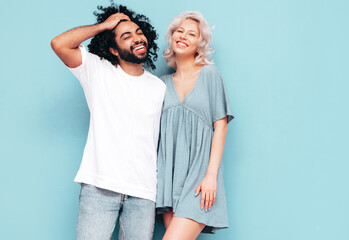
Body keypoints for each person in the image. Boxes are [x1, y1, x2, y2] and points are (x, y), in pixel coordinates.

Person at [50, 4, 165, 240]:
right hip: (99, 188)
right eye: (126, 36)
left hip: (143, 193)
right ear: (113, 49)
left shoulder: (159, 87)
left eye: (138, 32)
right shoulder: (97, 71)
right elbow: (59, 43)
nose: (137, 38)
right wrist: (104, 25)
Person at [156, 11, 234, 240]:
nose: (183, 36)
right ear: (171, 37)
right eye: (179, 31)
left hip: (200, 179)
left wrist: (211, 176)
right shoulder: (161, 85)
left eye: (191, 34)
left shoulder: (210, 75)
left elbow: (221, 126)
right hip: (169, 181)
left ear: (199, 45)